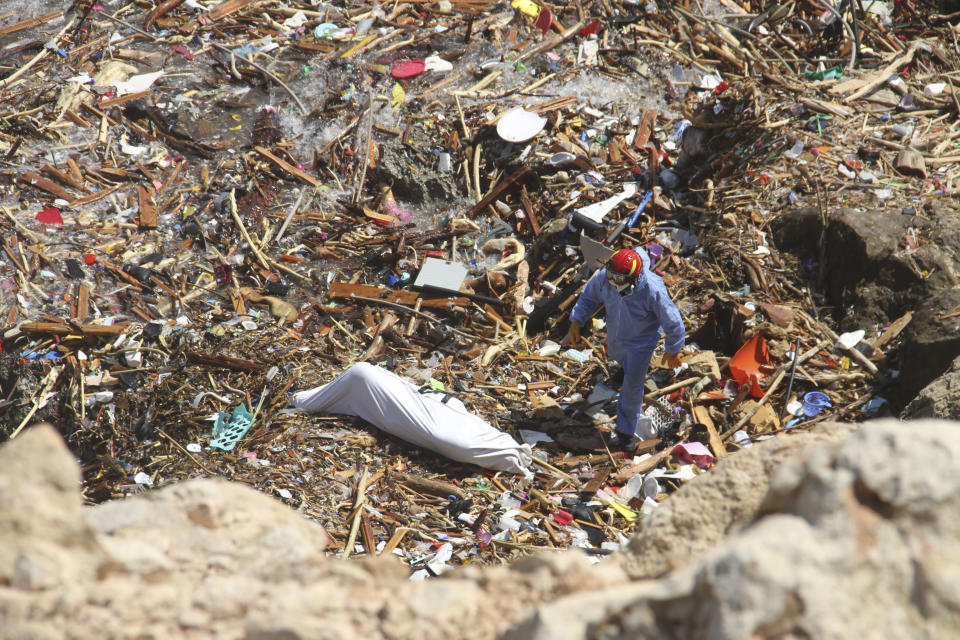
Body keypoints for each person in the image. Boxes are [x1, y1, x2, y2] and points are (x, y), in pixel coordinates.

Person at [567, 248, 685, 450]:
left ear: (634, 277)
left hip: (641, 343)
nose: (613, 280)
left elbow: (673, 321)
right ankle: (624, 369)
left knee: (632, 388)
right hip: (616, 335)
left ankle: (625, 433)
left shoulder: (652, 289)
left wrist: (673, 349)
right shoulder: (607, 277)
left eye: (619, 278)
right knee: (618, 358)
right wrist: (577, 319)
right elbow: (589, 296)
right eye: (611, 274)